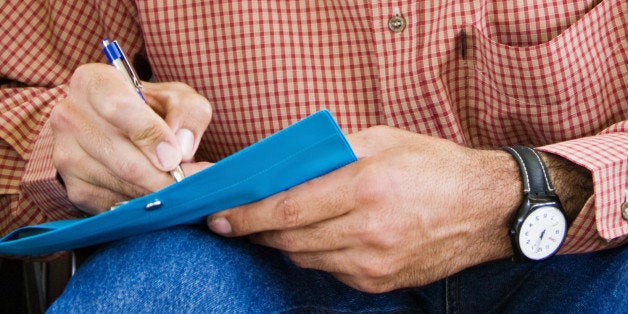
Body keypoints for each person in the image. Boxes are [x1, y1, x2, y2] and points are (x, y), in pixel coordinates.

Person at [1, 0, 626, 312]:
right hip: (251, 255)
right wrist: (67, 147)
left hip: (591, 241)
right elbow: (33, 100)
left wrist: (524, 193)